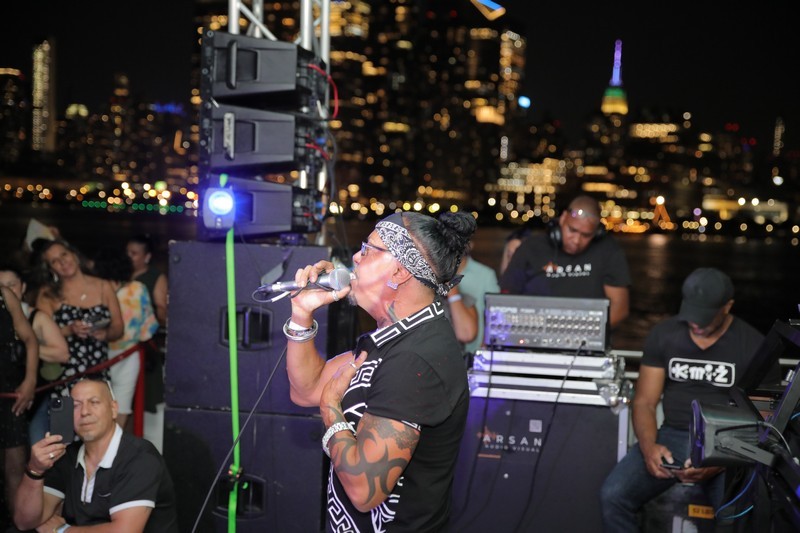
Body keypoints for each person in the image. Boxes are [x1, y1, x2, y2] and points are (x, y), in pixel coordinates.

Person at [284, 210, 476, 531]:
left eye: (368, 249)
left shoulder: (416, 359)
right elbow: (306, 389)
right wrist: (302, 313)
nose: (355, 257)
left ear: (399, 272)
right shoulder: (395, 337)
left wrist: (330, 408)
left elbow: (363, 491)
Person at [599, 267, 766, 531]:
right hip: (673, 435)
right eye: (691, 315)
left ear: (727, 307)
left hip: (726, 441)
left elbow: (761, 420)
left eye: (705, 318)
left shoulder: (753, 345)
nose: (696, 324)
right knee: (613, 495)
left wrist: (720, 462)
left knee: (734, 515)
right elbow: (644, 402)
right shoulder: (664, 334)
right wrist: (649, 448)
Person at [13, 378, 179, 532]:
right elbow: (24, 521)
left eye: (94, 402)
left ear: (113, 409)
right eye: (76, 405)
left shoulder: (140, 457)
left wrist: (62, 530)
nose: (85, 412)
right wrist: (35, 470)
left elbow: (125, 531)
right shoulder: (66, 456)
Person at [500, 195, 631, 329]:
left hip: (587, 335)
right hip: (534, 331)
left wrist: (585, 331)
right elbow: (506, 297)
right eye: (572, 230)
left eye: (586, 235)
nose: (576, 240)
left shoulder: (608, 251)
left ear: (597, 233)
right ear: (563, 219)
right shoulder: (531, 247)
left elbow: (620, 308)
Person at [35, 240, 124, 401]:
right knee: (64, 417)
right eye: (54, 261)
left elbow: (118, 327)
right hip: (65, 374)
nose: (63, 262)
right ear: (51, 269)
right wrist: (69, 330)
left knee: (97, 414)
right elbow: (40, 335)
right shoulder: (47, 294)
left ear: (74, 255)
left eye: (64, 254)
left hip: (98, 370)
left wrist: (105, 334)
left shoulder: (103, 286)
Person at [0, 264, 69, 446]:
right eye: (2, 284)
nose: (7, 288)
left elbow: (63, 354)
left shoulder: (35, 317)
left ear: (23, 287)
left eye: (12, 284)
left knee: (51, 442)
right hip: (16, 393)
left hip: (48, 391)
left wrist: (19, 349)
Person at [92, 248, 159, 432]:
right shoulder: (137, 289)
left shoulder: (96, 290)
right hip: (129, 353)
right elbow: (149, 326)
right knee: (122, 404)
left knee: (95, 402)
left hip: (97, 353)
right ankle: (112, 444)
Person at [0, 280, 38, 527]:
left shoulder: (4, 295)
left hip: (9, 393)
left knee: (15, 466)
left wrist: (30, 380)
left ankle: (18, 527)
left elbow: (30, 339)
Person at [456, 249, 500, 354]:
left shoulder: (486, 274)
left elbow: (495, 314)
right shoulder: (434, 272)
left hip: (475, 350)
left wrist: (486, 345)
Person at [126, 235, 168, 327]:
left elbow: (161, 307)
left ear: (147, 257)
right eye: (127, 252)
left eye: (133, 253)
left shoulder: (155, 277)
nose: (128, 257)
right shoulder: (119, 274)